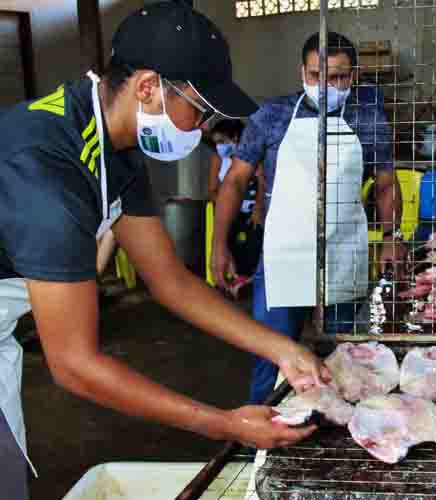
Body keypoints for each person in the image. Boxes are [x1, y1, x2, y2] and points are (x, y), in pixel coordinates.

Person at [0, 4, 329, 498]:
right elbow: (73, 364)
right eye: (198, 110)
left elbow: (170, 280)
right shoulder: (47, 168)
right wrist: (225, 425)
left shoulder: (115, 148)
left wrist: (281, 349)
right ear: (149, 87)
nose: (200, 129)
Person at [211, 32, 405, 404]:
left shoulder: (369, 120)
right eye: (317, 75)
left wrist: (392, 237)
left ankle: (337, 442)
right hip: (284, 254)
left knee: (344, 358)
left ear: (354, 76)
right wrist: (220, 245)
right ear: (302, 71)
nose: (327, 86)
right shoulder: (271, 116)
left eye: (338, 77)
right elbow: (234, 181)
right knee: (271, 356)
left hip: (344, 251)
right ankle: (261, 448)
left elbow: (385, 185)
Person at [208, 119, 265, 292]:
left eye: (222, 141)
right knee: (228, 240)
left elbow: (263, 184)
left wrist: (257, 209)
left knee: (254, 240)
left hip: (252, 211)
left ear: (236, 138)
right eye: (216, 143)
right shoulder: (218, 159)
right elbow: (212, 189)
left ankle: (250, 278)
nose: (219, 147)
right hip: (230, 213)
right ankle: (232, 277)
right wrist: (223, 208)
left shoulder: (252, 157)